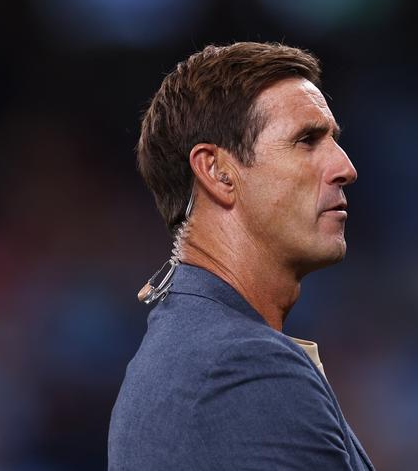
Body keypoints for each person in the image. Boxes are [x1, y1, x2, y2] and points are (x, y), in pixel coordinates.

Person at [108, 42, 374, 470]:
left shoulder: (189, 346)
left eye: (333, 140)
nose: (345, 167)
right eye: (307, 140)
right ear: (217, 171)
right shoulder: (240, 367)